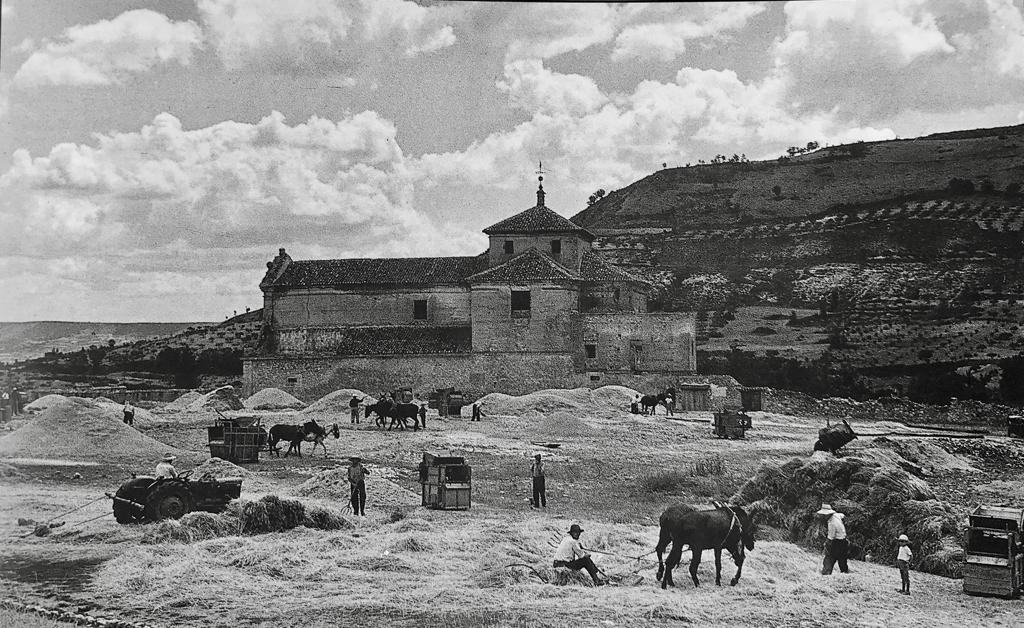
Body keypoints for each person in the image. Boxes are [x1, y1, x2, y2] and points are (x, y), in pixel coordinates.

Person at [818, 503, 850, 575]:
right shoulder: (836, 515)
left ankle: (826, 574)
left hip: (836, 543)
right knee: (842, 560)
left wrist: (826, 544)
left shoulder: (832, 523)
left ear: (827, 514)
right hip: (844, 541)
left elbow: (830, 537)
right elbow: (843, 515)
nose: (823, 516)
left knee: (829, 558)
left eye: (824, 515)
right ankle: (845, 573)